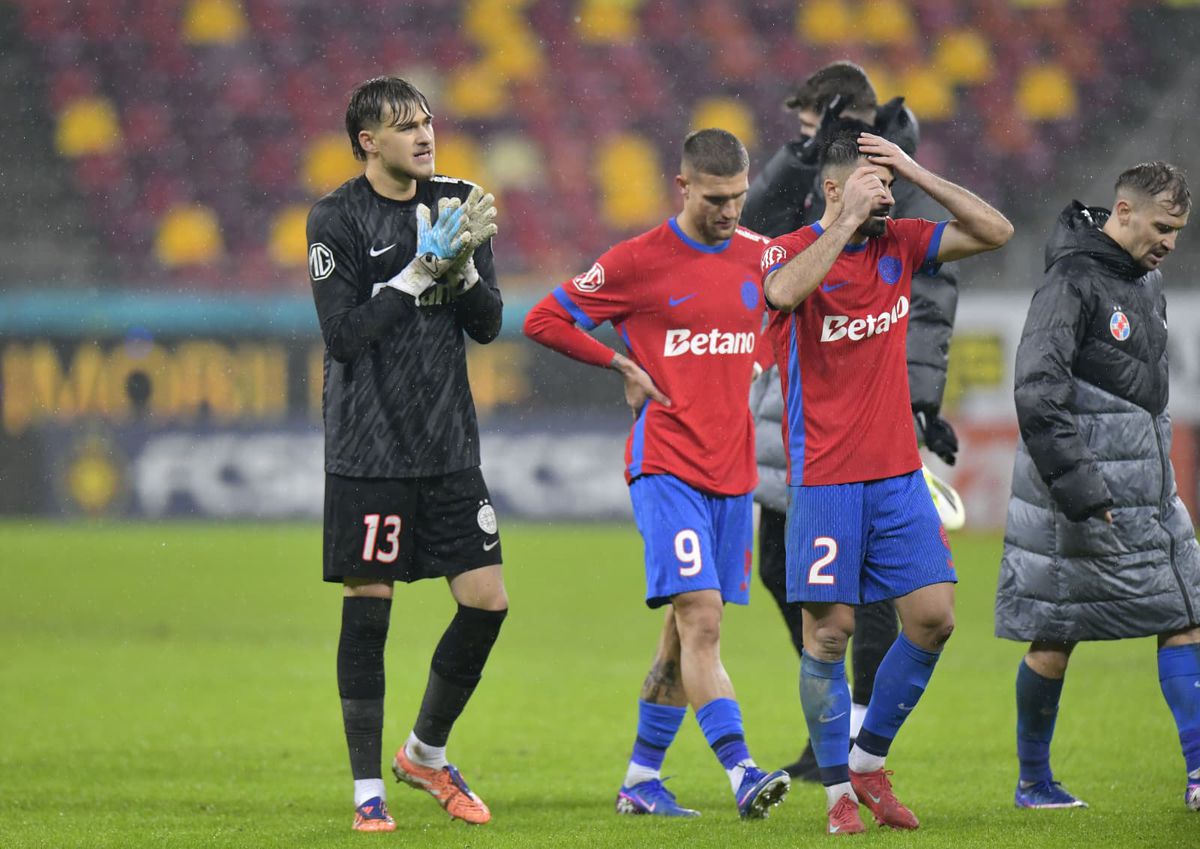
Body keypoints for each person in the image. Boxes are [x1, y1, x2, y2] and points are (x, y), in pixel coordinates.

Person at [524, 129, 791, 820]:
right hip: (666, 466)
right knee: (702, 619)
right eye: (715, 198)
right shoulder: (638, 261)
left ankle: (641, 778)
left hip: (732, 477)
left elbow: (780, 324)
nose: (730, 210)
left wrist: (761, 362)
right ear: (683, 187)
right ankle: (742, 770)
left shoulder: (763, 258)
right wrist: (619, 362)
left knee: (680, 636)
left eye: (738, 196)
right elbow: (543, 317)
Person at [762, 125, 1012, 834]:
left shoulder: (900, 240)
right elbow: (781, 294)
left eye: (890, 188)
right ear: (835, 189)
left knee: (934, 618)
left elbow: (994, 230)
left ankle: (869, 759)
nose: (887, 199)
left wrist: (914, 169)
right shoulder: (791, 251)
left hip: (898, 473)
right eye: (874, 187)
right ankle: (837, 789)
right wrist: (841, 222)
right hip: (825, 478)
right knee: (830, 634)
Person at [743, 59, 961, 781]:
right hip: (803, 416)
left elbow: (934, 294)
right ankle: (838, 736)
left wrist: (923, 395)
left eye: (809, 124)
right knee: (789, 576)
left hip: (868, 426)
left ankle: (854, 738)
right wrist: (810, 168)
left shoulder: (887, 197)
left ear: (840, 116)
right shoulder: (819, 191)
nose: (799, 137)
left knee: (857, 606)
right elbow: (768, 251)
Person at [307, 75, 507, 833]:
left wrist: (459, 273)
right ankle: (367, 790)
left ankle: (425, 751)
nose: (425, 135)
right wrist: (418, 272)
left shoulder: (456, 200)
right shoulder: (336, 217)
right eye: (406, 126)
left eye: (428, 121)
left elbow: (487, 324)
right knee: (371, 607)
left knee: (488, 600)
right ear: (369, 141)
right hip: (370, 446)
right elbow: (345, 336)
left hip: (448, 442)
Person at [995, 162, 1200, 812]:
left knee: (1185, 613)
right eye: (1162, 227)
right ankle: (1033, 781)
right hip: (1083, 499)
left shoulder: (1147, 281)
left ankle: (1196, 772)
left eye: (1178, 231)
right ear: (1123, 210)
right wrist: (1081, 485)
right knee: (1057, 632)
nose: (1169, 241)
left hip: (1147, 495)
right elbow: (1037, 390)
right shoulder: (1070, 282)